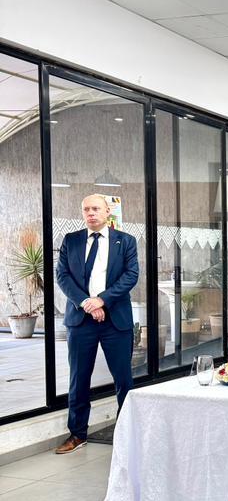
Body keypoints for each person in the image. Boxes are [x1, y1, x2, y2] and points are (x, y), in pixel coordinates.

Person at [54, 194, 139, 453]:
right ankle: (77, 434)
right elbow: (63, 276)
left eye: (96, 208)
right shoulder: (71, 241)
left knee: (123, 379)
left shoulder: (125, 241)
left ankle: (129, 435)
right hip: (81, 321)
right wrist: (86, 303)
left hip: (116, 320)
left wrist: (102, 301)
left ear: (107, 211)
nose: (91, 213)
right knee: (79, 379)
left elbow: (131, 276)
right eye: (86, 209)